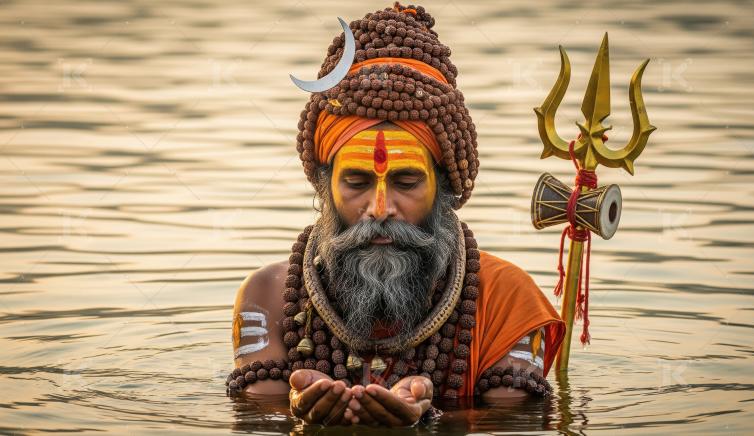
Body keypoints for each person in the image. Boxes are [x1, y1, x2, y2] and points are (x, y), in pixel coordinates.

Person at [226, 3, 565, 427]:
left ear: (443, 186)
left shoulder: (508, 298)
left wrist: (430, 419)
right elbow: (256, 415)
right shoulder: (270, 295)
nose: (381, 208)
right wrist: (298, 415)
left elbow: (514, 422)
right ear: (324, 186)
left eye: (406, 182)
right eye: (356, 182)